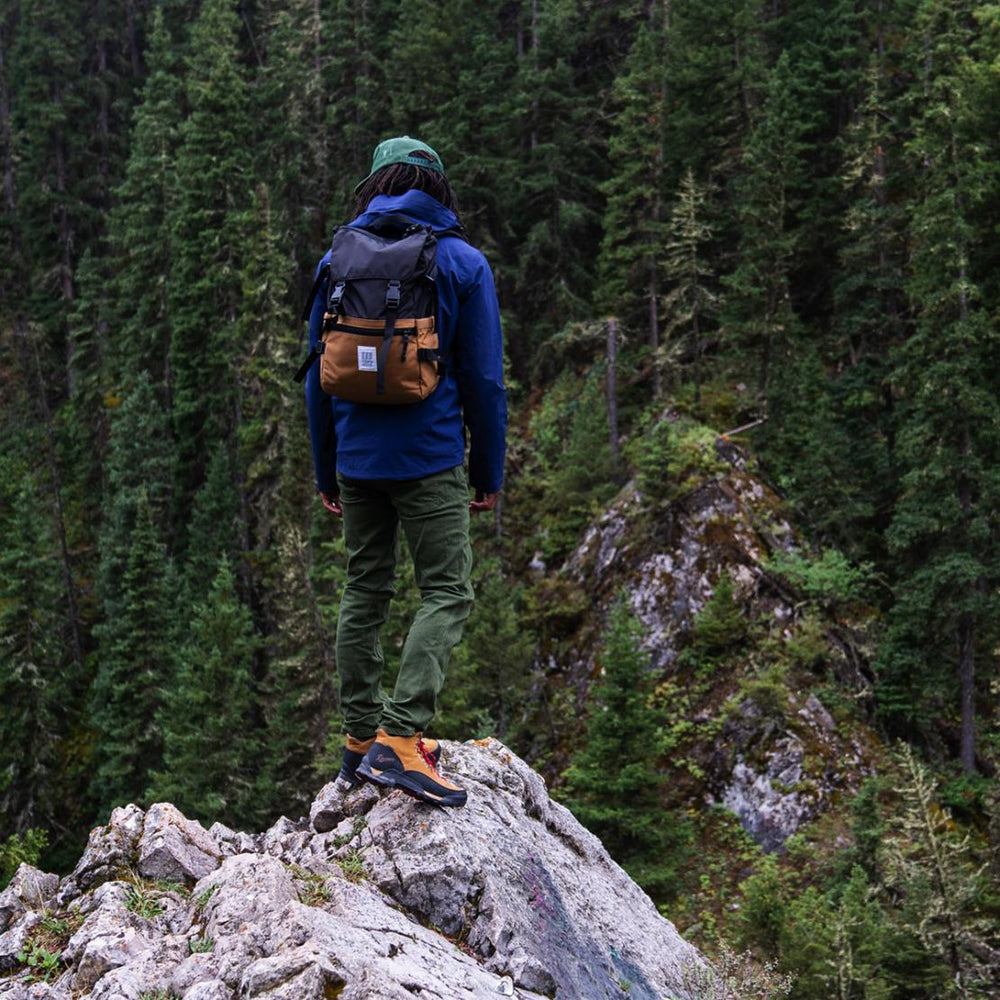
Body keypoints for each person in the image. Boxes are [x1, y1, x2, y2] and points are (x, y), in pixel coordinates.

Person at [304, 136, 507, 808]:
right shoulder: (462, 263)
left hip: (357, 460)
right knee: (448, 591)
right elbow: (483, 380)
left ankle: (361, 741)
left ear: (375, 187)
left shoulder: (338, 259)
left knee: (365, 589)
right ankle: (401, 737)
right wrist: (488, 469)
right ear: (437, 188)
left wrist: (326, 470)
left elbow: (316, 377)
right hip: (430, 460)